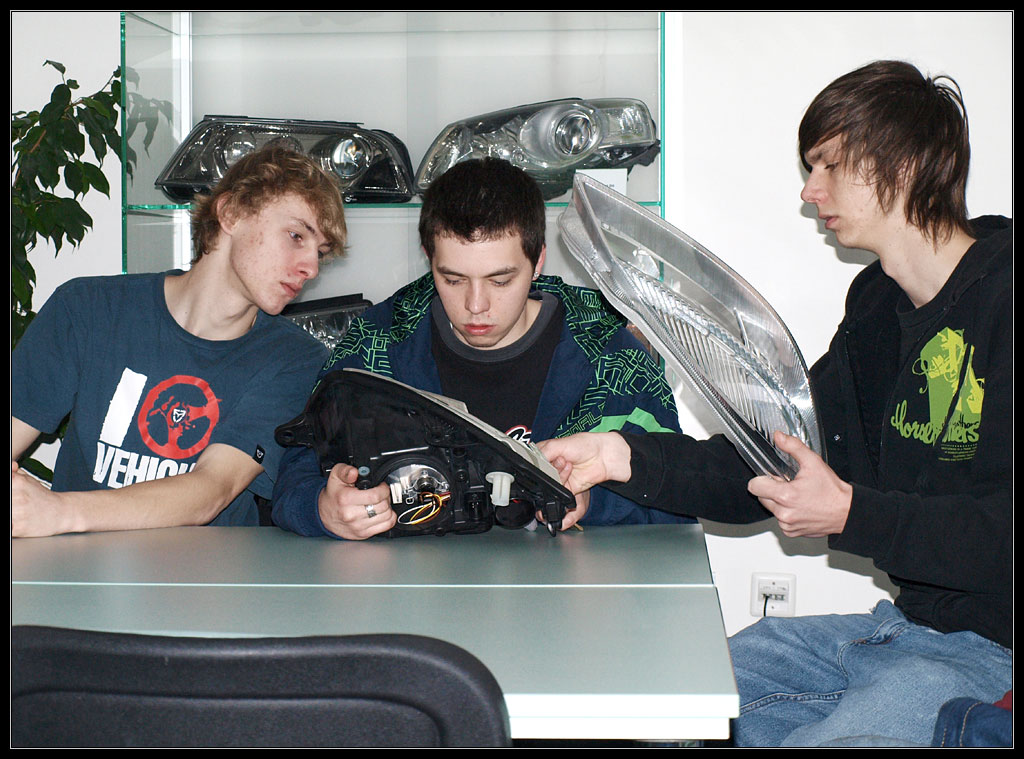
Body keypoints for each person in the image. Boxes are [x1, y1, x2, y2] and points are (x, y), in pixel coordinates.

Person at [537, 60, 1011, 746]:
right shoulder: (876, 309)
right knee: (668, 707)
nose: (810, 190)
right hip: (903, 630)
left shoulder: (1004, 297)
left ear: (905, 166)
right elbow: (777, 458)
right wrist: (619, 457)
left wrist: (851, 513)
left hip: (995, 655)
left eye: (830, 165)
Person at [271, 156, 687, 540]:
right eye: (452, 279)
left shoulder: (610, 355)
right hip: (414, 587)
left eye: (500, 280)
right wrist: (323, 509)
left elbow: (679, 499)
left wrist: (595, 502)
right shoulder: (377, 345)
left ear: (538, 262)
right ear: (428, 258)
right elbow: (294, 475)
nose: (475, 305)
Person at [11, 147, 345, 536]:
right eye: (296, 236)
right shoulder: (86, 308)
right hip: (76, 567)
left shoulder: (297, 359)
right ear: (231, 213)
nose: (311, 268)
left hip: (206, 574)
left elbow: (211, 490)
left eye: (320, 253)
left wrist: (58, 512)